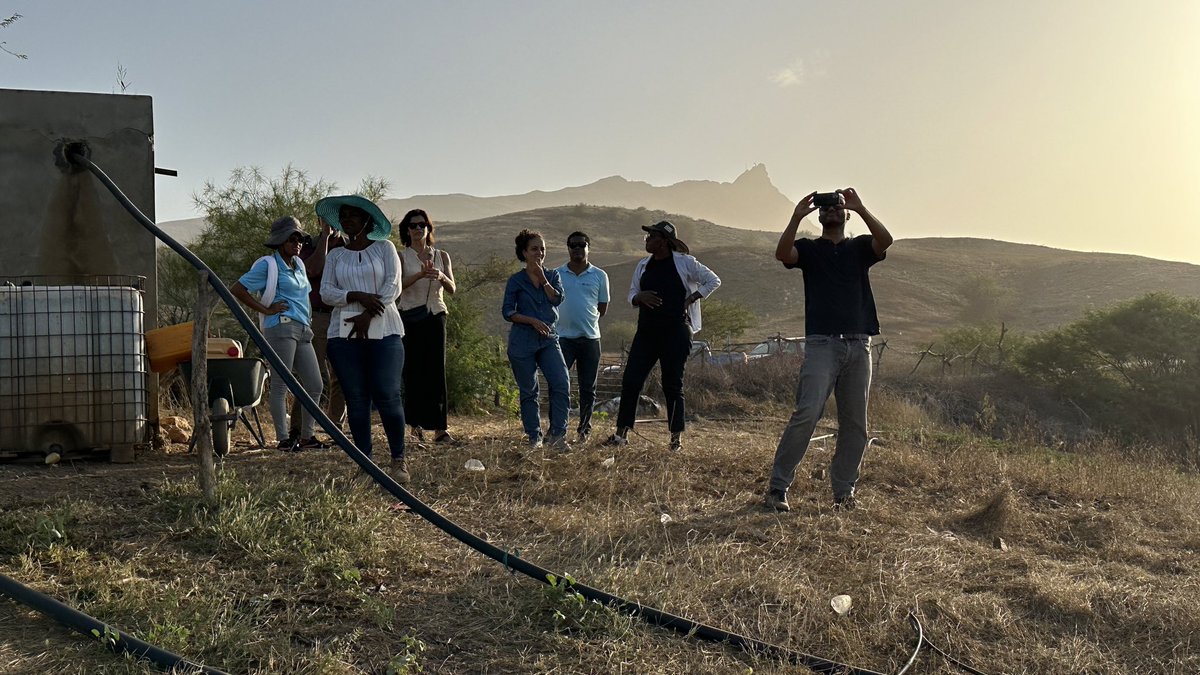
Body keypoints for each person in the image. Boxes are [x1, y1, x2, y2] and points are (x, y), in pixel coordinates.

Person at [764, 188, 892, 513]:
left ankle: (843, 492)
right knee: (807, 412)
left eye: (837, 207)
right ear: (819, 216)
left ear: (845, 214)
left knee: (855, 424)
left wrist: (860, 207)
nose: (832, 210)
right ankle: (778, 488)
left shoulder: (861, 247)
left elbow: (885, 241)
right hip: (822, 343)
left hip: (859, 343)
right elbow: (783, 254)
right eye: (826, 208)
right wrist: (795, 216)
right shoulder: (808, 249)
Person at [316, 194, 411, 482]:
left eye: (352, 215)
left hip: (385, 330)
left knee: (387, 394)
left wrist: (370, 314)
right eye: (343, 216)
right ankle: (365, 464)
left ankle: (398, 460)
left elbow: (393, 286)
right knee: (356, 399)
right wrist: (355, 296)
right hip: (343, 334)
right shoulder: (335, 256)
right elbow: (326, 293)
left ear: (367, 220)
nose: (346, 220)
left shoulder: (385, 248)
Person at [602, 221, 720, 451]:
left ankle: (675, 440)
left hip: (676, 330)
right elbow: (632, 293)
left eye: (651, 236)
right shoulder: (643, 265)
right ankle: (621, 435)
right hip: (646, 331)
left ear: (664, 241)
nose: (646, 240)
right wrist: (639, 297)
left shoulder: (685, 262)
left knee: (672, 384)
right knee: (631, 381)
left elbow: (713, 280)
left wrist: (691, 298)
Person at [230, 216, 324, 451]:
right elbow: (238, 289)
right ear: (280, 241)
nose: (297, 243)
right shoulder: (268, 265)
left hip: (303, 328)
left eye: (300, 239)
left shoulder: (299, 265)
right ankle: (283, 439)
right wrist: (266, 309)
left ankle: (306, 436)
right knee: (282, 384)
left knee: (315, 384)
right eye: (292, 238)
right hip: (280, 326)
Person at [502, 229, 571, 450]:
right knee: (529, 390)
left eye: (542, 249)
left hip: (548, 339)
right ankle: (534, 437)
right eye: (534, 249)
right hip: (522, 342)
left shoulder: (552, 276)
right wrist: (531, 320)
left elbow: (557, 299)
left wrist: (543, 279)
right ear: (524, 252)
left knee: (561, 383)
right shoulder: (516, 280)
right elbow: (507, 311)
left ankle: (558, 435)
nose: (539, 253)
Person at [397, 208, 457, 444]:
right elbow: (397, 288)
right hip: (411, 317)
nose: (418, 229)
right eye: (413, 225)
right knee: (413, 371)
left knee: (436, 371)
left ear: (429, 228)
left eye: (422, 224)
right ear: (407, 230)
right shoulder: (402, 257)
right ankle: (415, 427)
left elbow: (452, 289)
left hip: (436, 314)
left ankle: (441, 429)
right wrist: (419, 275)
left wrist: (440, 276)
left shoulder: (442, 255)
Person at [287, 218, 345, 441]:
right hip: (319, 316)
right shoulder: (309, 244)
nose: (333, 223)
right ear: (320, 221)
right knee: (311, 373)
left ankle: (335, 426)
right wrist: (325, 240)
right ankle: (298, 430)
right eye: (327, 220)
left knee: (341, 375)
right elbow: (312, 270)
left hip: (343, 315)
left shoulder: (350, 247)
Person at [554, 231, 609, 444]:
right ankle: (558, 429)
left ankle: (584, 430)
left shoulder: (599, 275)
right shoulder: (557, 274)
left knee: (588, 388)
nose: (577, 249)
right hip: (562, 339)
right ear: (568, 248)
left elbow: (602, 308)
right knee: (559, 385)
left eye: (581, 245)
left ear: (588, 248)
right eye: (573, 245)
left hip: (590, 339)